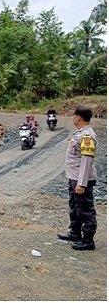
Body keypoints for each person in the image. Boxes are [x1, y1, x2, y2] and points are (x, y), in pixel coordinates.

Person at [57, 106, 98, 250]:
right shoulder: (80, 133)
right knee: (75, 206)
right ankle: (75, 232)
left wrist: (81, 184)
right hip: (74, 177)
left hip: (82, 179)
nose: (73, 118)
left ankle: (88, 240)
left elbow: (86, 161)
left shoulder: (87, 136)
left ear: (78, 118)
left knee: (85, 209)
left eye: (74, 116)